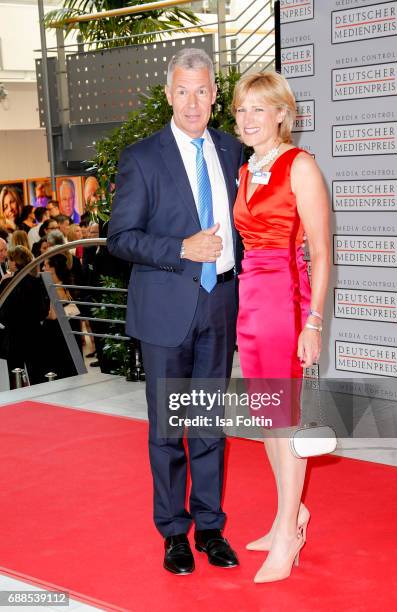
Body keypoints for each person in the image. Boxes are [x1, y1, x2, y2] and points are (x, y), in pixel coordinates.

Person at [107, 48, 244, 576]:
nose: (192, 102)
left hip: (220, 304)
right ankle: (174, 533)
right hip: (166, 308)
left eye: (201, 90)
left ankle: (210, 528)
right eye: (182, 90)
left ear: (214, 96)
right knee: (168, 429)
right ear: (169, 94)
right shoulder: (142, 157)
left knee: (208, 424)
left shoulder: (232, 151)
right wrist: (181, 248)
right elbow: (121, 238)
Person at [232, 72, 330, 583]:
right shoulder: (248, 169)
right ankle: (286, 516)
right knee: (268, 417)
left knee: (284, 419)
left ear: (280, 115)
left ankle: (289, 532)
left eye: (258, 110)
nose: (247, 120)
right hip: (251, 303)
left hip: (286, 306)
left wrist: (313, 321)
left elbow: (321, 251)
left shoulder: (300, 165)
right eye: (241, 111)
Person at [0, 246, 49, 385]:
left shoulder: (8, 283)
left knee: (15, 376)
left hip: (14, 336)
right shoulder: (36, 281)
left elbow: (3, 312)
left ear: (15, 262)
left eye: (9, 259)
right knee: (37, 374)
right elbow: (42, 310)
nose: (8, 262)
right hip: (34, 333)